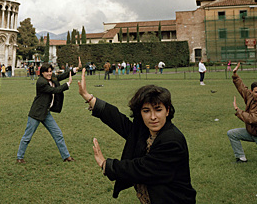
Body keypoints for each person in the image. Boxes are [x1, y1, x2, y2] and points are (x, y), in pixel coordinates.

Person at [77, 69, 196, 203]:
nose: (153, 117)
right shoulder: (145, 131)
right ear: (140, 113)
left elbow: (141, 168)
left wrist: (107, 165)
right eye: (146, 111)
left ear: (167, 111)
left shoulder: (171, 140)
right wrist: (88, 97)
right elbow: (119, 121)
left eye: (158, 110)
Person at [16, 59, 81, 163]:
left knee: (58, 134)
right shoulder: (41, 82)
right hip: (36, 113)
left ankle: (66, 157)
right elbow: (54, 90)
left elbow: (60, 76)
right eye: (47, 72)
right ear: (42, 73)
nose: (50, 73)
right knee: (27, 137)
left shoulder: (52, 77)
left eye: (51, 71)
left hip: (46, 113)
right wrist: (67, 84)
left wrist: (73, 70)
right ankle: (20, 157)